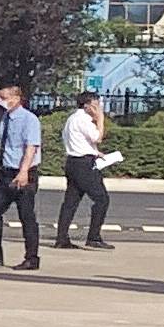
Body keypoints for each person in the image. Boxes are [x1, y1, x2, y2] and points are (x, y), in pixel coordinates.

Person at [0, 79, 43, 270]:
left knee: (26, 216)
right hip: (6, 172)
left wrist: (23, 172)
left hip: (24, 172)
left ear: (16, 98)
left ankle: (31, 258)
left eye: (4, 98)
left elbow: (31, 147)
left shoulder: (29, 119)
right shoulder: (3, 118)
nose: (1, 101)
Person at [54, 89, 113, 251]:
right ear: (87, 105)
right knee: (101, 199)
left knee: (71, 201)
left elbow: (80, 141)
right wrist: (100, 119)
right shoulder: (83, 119)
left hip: (73, 161)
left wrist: (94, 152)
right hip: (84, 164)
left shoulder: (72, 119)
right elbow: (97, 137)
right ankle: (93, 237)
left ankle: (62, 238)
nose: (98, 108)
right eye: (96, 105)